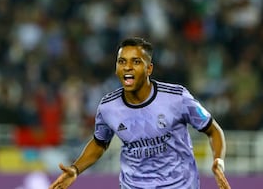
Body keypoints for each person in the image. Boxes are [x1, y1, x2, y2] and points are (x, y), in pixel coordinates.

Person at [49, 37, 231, 189]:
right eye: (122, 62)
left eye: (136, 62)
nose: (127, 67)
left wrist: (218, 163)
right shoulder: (108, 107)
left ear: (149, 68)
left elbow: (213, 130)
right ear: (116, 68)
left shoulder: (177, 97)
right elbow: (99, 143)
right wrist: (75, 169)